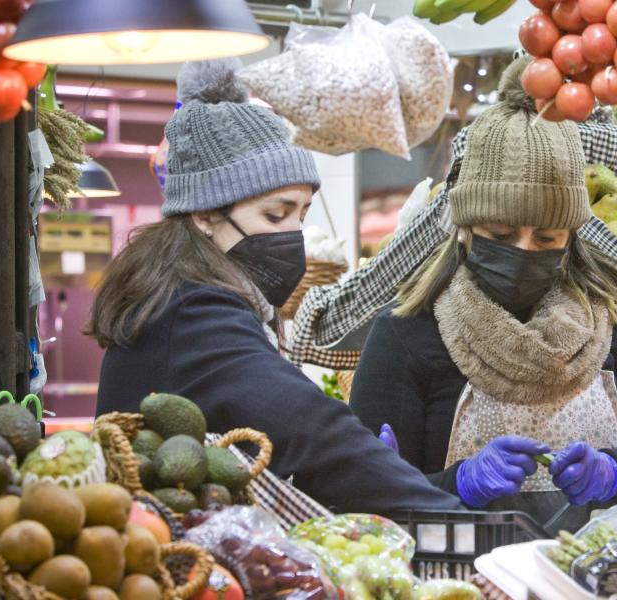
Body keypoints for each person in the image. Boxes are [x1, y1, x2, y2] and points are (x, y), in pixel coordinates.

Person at [349, 57, 617, 530]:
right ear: (465, 228)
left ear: (572, 237)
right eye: (500, 235)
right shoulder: (408, 332)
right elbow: (362, 491)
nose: (523, 251)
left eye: (546, 239)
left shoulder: (607, 315)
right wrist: (457, 484)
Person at [89, 59, 463, 515]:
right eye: (274, 215)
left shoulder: (183, 295)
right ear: (205, 214)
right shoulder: (193, 312)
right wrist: (447, 513)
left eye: (301, 215)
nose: (292, 235)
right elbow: (310, 430)